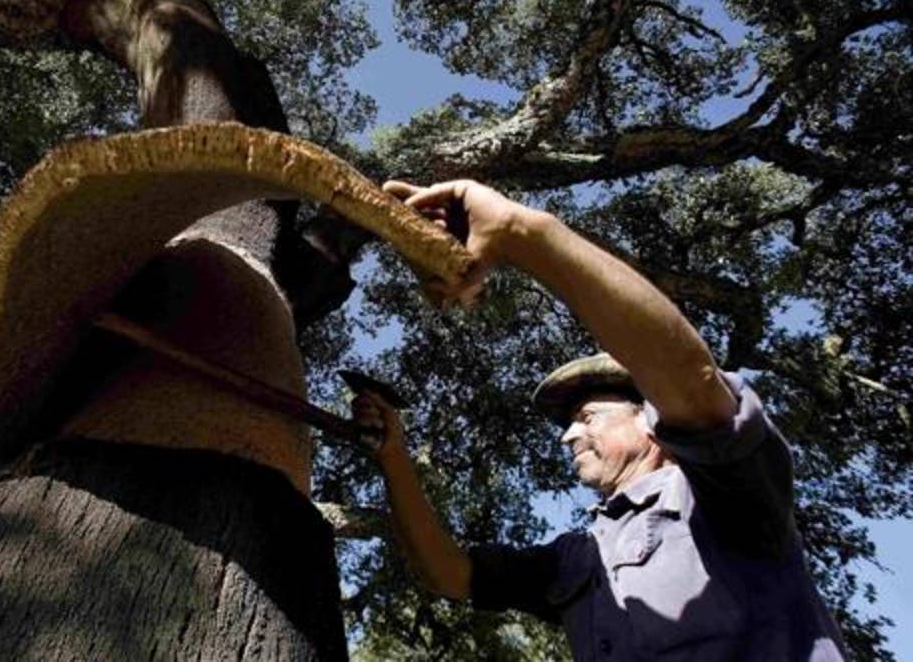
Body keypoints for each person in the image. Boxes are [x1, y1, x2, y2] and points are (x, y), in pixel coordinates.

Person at [351, 179, 848, 660]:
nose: (569, 435)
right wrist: (393, 454)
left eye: (588, 416)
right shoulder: (577, 559)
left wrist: (518, 231)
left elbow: (692, 383)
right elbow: (451, 574)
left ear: (650, 422)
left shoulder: (726, 500)